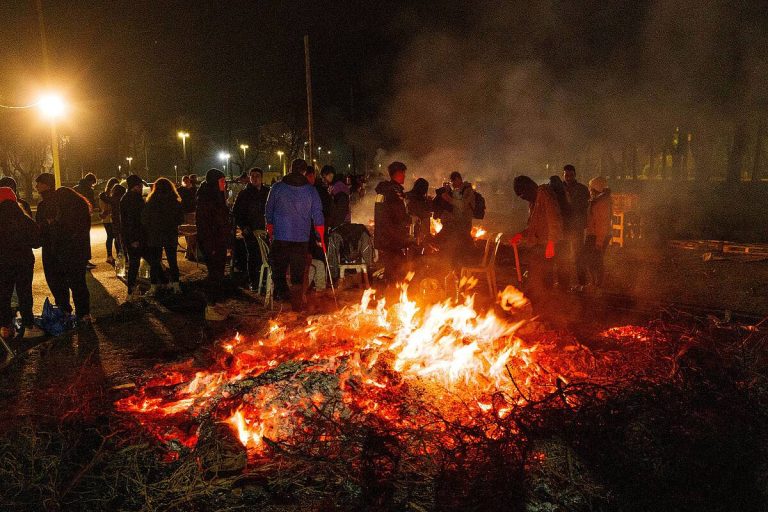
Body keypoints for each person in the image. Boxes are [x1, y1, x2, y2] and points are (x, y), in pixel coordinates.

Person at [265, 158, 324, 310]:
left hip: (281, 237)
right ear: (304, 172)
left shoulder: (277, 188)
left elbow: (268, 209)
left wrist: (270, 227)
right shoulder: (311, 190)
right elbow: (318, 214)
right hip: (301, 238)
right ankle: (296, 306)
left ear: (290, 169)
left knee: (278, 269)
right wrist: (320, 234)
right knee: (297, 275)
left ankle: (284, 299)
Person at [0, 187, 43, 341]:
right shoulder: (23, 219)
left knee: (3, 295)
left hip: (2, 263)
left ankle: (5, 327)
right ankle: (28, 325)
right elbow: (37, 242)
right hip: (23, 262)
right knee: (24, 293)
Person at [511, 175, 563, 300]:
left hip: (547, 245)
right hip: (538, 245)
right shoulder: (533, 201)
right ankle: (539, 306)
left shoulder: (544, 195)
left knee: (544, 279)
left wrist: (551, 244)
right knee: (536, 278)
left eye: (523, 195)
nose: (523, 199)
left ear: (528, 188)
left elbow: (554, 220)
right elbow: (533, 226)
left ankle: (546, 307)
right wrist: (520, 235)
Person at [49, 187, 93, 324]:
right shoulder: (82, 207)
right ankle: (84, 313)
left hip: (68, 252)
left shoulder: (65, 213)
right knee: (79, 283)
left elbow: (62, 232)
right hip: (80, 252)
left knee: (73, 282)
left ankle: (78, 313)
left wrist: (53, 224)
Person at [196, 169, 232, 320]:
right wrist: (210, 246)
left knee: (218, 274)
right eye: (222, 181)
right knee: (214, 274)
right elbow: (204, 225)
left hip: (219, 241)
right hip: (212, 243)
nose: (224, 184)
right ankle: (210, 307)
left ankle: (216, 304)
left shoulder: (217, 196)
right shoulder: (206, 198)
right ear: (214, 182)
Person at [141, 178, 183, 296]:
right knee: (172, 261)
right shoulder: (175, 201)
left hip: (155, 236)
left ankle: (154, 286)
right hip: (170, 235)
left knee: (155, 262)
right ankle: (176, 285)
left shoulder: (151, 202)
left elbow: (144, 220)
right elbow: (180, 219)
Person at [374, 161, 411, 286]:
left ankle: (390, 294)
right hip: (392, 238)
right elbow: (398, 215)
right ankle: (391, 297)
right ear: (398, 173)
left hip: (386, 236)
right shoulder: (393, 192)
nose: (405, 176)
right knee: (396, 270)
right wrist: (410, 220)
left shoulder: (384, 190)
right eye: (404, 173)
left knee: (391, 269)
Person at [233, 167, 270, 291]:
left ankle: (265, 279)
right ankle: (254, 281)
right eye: (252, 176)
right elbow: (236, 213)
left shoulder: (267, 192)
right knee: (253, 256)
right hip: (250, 231)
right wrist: (244, 227)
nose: (254, 178)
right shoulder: (244, 194)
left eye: (257, 176)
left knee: (266, 256)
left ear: (261, 178)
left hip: (266, 231)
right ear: (249, 178)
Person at [434, 171, 475, 267]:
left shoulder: (468, 190)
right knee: (456, 249)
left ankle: (462, 269)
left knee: (461, 248)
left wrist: (449, 198)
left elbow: (463, 205)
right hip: (457, 224)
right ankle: (456, 269)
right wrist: (448, 191)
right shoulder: (457, 191)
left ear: (458, 179)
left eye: (453, 181)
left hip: (464, 224)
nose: (453, 184)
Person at [562, 164, 590, 288]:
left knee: (578, 256)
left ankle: (582, 283)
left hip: (577, 227)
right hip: (563, 228)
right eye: (566, 175)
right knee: (563, 256)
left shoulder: (582, 189)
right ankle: (565, 283)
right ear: (563, 175)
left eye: (571, 175)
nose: (568, 177)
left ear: (575, 175)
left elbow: (585, 208)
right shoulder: (559, 189)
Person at [34, 173, 60, 305]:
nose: (36, 186)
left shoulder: (47, 203)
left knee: (54, 277)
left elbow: (45, 224)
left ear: (47, 185)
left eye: (39, 183)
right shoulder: (51, 201)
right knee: (58, 278)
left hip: (51, 245)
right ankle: (64, 306)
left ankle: (63, 306)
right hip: (55, 244)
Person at [120, 175, 146, 301]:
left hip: (133, 237)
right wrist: (133, 239)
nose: (141, 187)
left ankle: (132, 291)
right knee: (135, 264)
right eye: (140, 185)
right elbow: (131, 221)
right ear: (135, 186)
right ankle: (131, 292)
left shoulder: (127, 198)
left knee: (136, 263)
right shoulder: (133, 199)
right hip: (136, 238)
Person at [584, 177, 613, 287]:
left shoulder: (602, 203)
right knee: (591, 259)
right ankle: (595, 283)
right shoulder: (596, 200)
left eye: (591, 188)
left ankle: (597, 284)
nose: (589, 190)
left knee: (595, 260)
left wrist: (599, 242)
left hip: (598, 235)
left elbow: (602, 224)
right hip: (594, 234)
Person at [405, 177, 433, 244]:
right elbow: (422, 212)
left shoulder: (407, 195)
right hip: (417, 228)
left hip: (408, 228)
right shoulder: (419, 199)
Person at [99, 177, 120, 265]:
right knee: (114, 236)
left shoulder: (102, 195)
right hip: (110, 218)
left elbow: (102, 208)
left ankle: (110, 256)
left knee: (110, 237)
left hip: (106, 219)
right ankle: (117, 255)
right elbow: (107, 208)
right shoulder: (110, 196)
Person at [110, 184, 127, 258]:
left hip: (115, 221)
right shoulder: (122, 200)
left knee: (117, 239)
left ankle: (119, 255)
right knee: (123, 240)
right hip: (122, 222)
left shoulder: (112, 199)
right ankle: (125, 256)